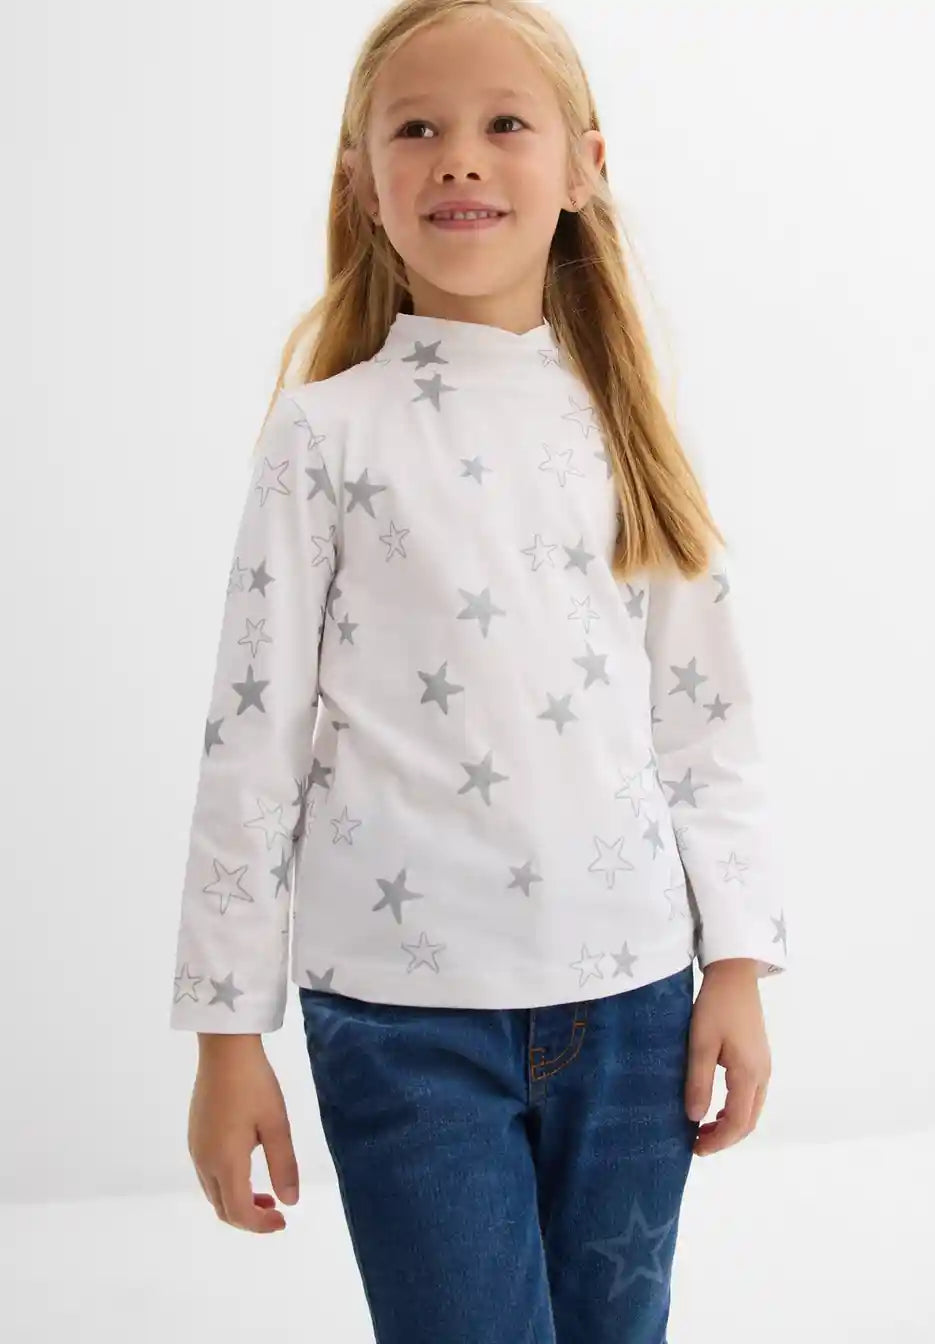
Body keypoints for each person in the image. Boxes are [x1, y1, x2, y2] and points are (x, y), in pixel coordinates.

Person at [170, 1, 788, 1339]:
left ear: (583, 169)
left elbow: (705, 725)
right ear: (362, 180)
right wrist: (228, 1037)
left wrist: (735, 967)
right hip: (402, 1024)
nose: (459, 155)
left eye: (506, 123)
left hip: (632, 1008)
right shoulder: (322, 436)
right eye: (417, 130)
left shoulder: (628, 431)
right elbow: (250, 746)